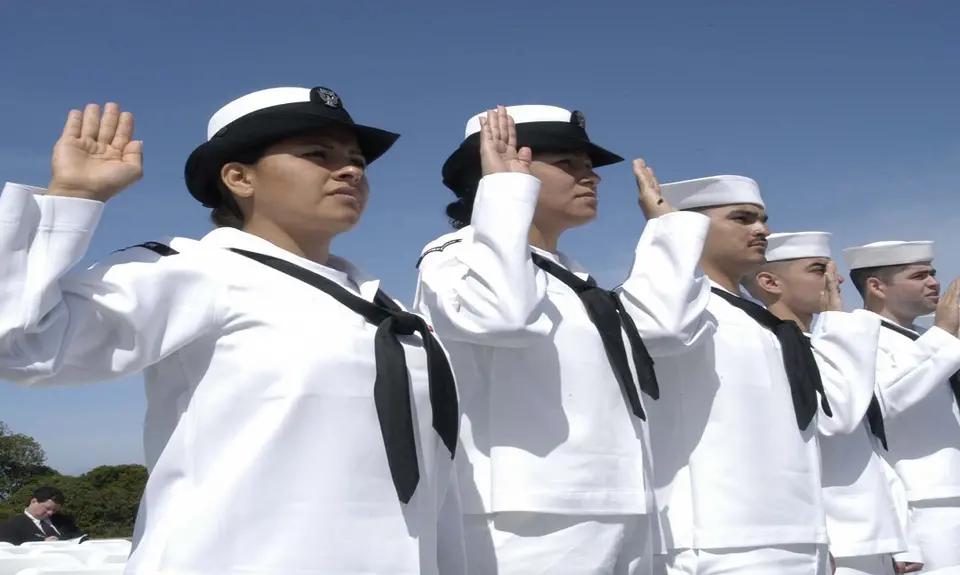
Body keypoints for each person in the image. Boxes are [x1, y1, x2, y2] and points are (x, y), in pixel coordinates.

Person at [0, 87, 468, 574]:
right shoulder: (195, 271)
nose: (351, 170)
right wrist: (74, 197)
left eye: (357, 161)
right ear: (239, 178)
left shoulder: (387, 310)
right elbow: (19, 344)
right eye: (317, 155)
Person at [414, 104, 714, 574]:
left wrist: (666, 232)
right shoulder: (456, 256)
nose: (590, 177)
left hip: (621, 500)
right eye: (567, 164)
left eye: (590, 167)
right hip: (526, 520)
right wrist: (505, 191)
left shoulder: (576, 279)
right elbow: (505, 316)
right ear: (498, 168)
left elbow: (666, 329)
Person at [648, 177, 881, 575]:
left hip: (798, 534)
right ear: (688, 225)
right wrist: (668, 234)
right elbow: (662, 330)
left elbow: (833, 416)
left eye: (762, 219)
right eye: (742, 218)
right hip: (720, 542)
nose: (762, 230)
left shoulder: (765, 325)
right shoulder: (673, 311)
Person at [743, 232, 909, 575]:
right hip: (831, 541)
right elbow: (830, 424)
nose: (836, 279)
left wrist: (900, 536)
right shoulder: (769, 348)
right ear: (770, 282)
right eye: (818, 269)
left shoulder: (828, 348)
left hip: (872, 538)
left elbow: (872, 450)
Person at [843, 240, 960, 571]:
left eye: (933, 273)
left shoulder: (932, 339)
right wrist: (945, 335)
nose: (934, 282)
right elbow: (880, 404)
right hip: (916, 505)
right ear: (877, 286)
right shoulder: (856, 338)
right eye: (919, 275)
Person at [0, 486, 66, 544]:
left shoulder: (64, 521)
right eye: (47, 508)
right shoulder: (11, 526)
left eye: (54, 510)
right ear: (34, 502)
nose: (50, 513)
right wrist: (42, 545)